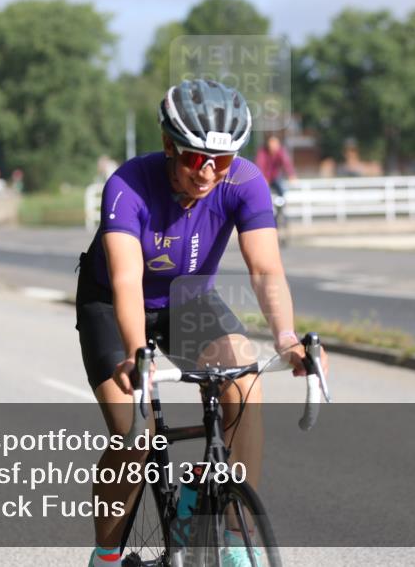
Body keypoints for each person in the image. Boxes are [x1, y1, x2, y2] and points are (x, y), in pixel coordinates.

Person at [76, 79, 327, 567]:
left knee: (244, 379)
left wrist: (287, 338)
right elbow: (127, 280)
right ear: (169, 145)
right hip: (111, 302)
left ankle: (232, 535)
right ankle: (106, 553)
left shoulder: (246, 182)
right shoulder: (127, 185)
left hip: (187, 299)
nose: (208, 172)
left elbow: (265, 269)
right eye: (195, 158)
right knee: (136, 434)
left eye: (223, 161)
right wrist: (136, 355)